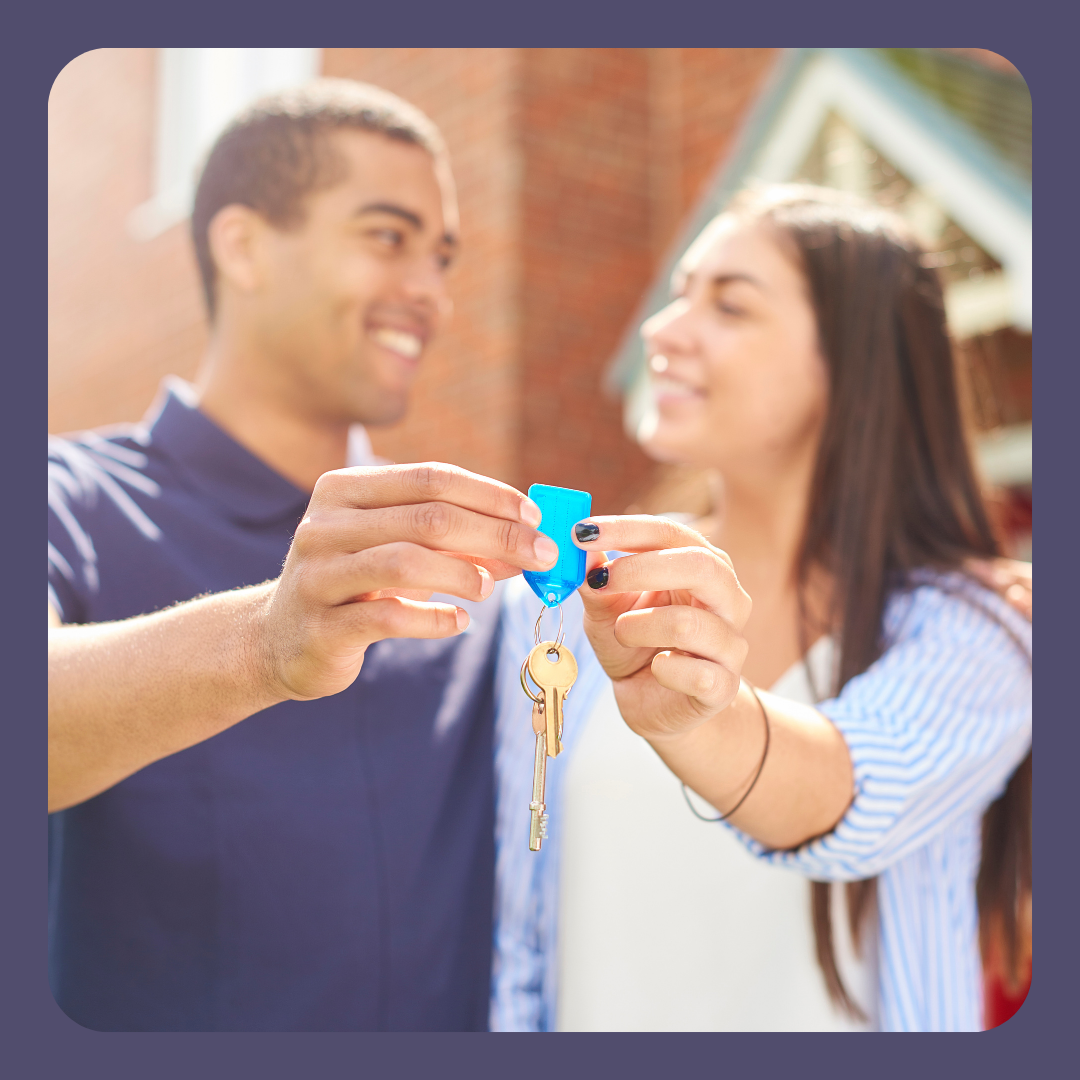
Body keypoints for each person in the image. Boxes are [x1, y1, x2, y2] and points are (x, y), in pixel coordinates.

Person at [48, 79, 563, 1031]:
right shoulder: (66, 497)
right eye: (386, 236)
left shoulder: (478, 572)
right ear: (242, 245)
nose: (430, 291)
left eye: (441, 254)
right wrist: (263, 645)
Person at [490, 185, 1031, 1032]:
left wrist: (699, 720)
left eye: (730, 306)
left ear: (857, 362)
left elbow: (854, 793)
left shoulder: (982, 629)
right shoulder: (572, 595)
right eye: (679, 295)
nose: (662, 333)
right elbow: (518, 936)